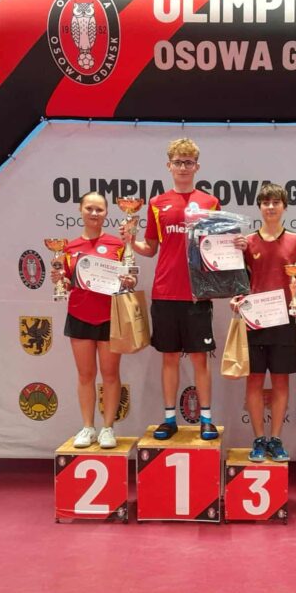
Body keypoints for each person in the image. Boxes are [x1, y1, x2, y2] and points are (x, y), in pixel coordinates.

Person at [123, 139, 220, 441]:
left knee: (200, 359)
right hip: (165, 292)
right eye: (178, 162)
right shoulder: (156, 203)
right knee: (168, 358)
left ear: (197, 167)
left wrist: (236, 245)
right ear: (169, 166)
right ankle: (169, 419)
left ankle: (206, 419)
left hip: (197, 294)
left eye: (188, 162)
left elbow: (217, 248)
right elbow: (151, 248)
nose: (183, 167)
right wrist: (131, 241)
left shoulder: (210, 203)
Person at [231, 183, 296, 462]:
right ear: (259, 207)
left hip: (284, 321)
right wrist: (237, 299)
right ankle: (258, 439)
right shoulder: (247, 242)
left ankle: (275, 439)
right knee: (253, 381)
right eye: (265, 202)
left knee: (280, 382)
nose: (271, 207)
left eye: (276, 202)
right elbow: (239, 281)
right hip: (254, 320)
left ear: (284, 206)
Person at [61, 192, 137, 449]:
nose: (94, 213)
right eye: (89, 208)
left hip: (110, 317)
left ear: (106, 213)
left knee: (110, 375)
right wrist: (60, 280)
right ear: (80, 210)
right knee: (85, 375)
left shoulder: (118, 245)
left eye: (99, 209)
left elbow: (130, 277)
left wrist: (129, 280)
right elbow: (67, 283)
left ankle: (107, 428)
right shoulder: (69, 248)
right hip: (79, 316)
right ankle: (87, 427)